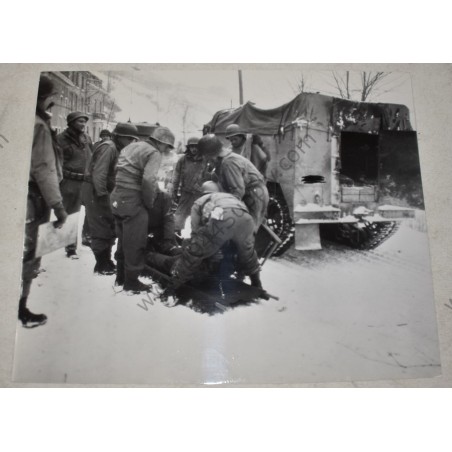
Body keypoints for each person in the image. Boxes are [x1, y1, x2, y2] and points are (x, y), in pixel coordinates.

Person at [19, 75, 68, 328]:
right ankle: (20, 308)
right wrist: (58, 206)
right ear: (42, 98)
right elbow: (44, 168)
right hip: (33, 197)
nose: (54, 103)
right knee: (28, 252)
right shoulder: (38, 125)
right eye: (52, 98)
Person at [111, 126, 176, 293]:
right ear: (161, 143)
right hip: (133, 200)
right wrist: (149, 202)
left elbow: (117, 169)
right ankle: (131, 282)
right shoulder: (153, 153)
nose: (166, 150)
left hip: (117, 196)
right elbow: (148, 179)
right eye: (167, 147)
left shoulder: (131, 146)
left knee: (123, 238)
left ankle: (120, 276)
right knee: (135, 242)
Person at [167, 181, 262, 293]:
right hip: (246, 218)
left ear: (203, 193)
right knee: (248, 253)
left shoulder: (200, 202)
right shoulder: (229, 197)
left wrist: (199, 248)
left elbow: (196, 232)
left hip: (223, 218)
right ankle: (256, 283)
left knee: (195, 250)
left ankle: (172, 287)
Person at [81, 122, 139, 275]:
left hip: (105, 191)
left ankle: (106, 260)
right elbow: (99, 174)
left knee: (109, 225)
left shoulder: (117, 148)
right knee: (100, 227)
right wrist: (102, 196)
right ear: (120, 137)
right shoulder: (109, 147)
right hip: (96, 191)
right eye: (129, 139)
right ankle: (101, 264)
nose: (131, 142)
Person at [198, 134, 269, 233]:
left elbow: (238, 190)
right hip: (253, 192)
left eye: (205, 156)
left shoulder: (228, 162)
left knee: (246, 232)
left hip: (254, 194)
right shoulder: (224, 160)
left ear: (209, 154)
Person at [57, 111, 93, 258]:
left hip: (85, 182)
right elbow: (56, 162)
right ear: (71, 122)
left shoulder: (87, 138)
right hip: (68, 182)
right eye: (80, 121)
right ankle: (70, 248)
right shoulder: (60, 139)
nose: (83, 124)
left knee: (91, 212)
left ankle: (85, 239)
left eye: (84, 122)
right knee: (70, 216)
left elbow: (93, 157)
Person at [169, 137, 211, 232]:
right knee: (178, 219)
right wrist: (174, 192)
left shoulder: (206, 160)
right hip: (186, 193)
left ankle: (196, 239)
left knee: (199, 219)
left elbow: (210, 177)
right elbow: (176, 176)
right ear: (188, 147)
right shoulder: (183, 160)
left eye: (196, 146)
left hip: (200, 195)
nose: (194, 149)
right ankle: (177, 238)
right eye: (191, 146)